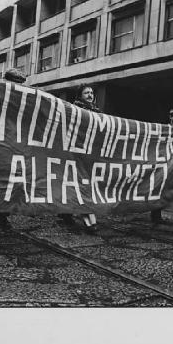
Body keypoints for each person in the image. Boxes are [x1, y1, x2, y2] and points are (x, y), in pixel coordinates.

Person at [0, 68, 28, 237]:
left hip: (16, 148)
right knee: (0, 185)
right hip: (0, 148)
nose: (18, 87)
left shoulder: (23, 102)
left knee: (12, 187)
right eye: (16, 83)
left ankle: (3, 218)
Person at [59, 84, 102, 234]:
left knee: (86, 185)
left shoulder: (98, 112)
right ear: (80, 96)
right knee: (79, 184)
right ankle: (88, 220)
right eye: (86, 93)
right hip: (76, 153)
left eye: (91, 92)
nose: (90, 95)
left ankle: (68, 212)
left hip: (91, 154)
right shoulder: (74, 109)